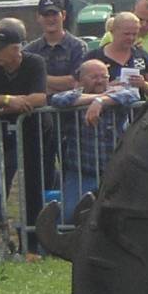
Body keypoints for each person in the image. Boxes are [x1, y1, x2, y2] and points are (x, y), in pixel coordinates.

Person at [0, 28, 52, 248]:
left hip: (35, 131)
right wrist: (9, 99)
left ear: (16, 49)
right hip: (1, 134)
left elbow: (39, 98)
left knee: (35, 185)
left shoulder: (35, 62)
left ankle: (34, 243)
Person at [49, 59, 142, 222]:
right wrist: (96, 98)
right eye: (94, 77)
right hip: (81, 174)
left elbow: (133, 94)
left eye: (103, 76)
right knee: (66, 217)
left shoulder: (119, 92)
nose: (100, 80)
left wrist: (100, 102)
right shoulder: (74, 95)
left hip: (116, 172)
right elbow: (57, 99)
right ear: (81, 80)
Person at [26, 0, 89, 195]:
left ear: (63, 15)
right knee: (40, 172)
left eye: (54, 14)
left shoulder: (78, 46)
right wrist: (59, 83)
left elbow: (76, 82)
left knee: (74, 171)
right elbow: (27, 85)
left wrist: (41, 80)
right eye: (45, 14)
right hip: (40, 122)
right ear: (38, 18)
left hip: (72, 121)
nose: (50, 19)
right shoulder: (30, 49)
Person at [86, 11, 148, 100]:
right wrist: (108, 88)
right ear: (113, 31)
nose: (131, 38)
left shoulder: (141, 56)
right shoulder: (95, 57)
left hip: (137, 112)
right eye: (126, 34)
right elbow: (80, 89)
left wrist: (144, 85)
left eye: (134, 34)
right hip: (103, 111)